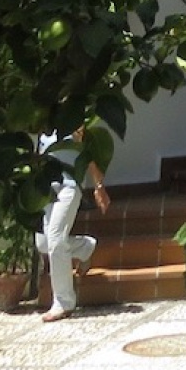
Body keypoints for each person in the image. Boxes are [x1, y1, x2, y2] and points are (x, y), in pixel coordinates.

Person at [35, 126, 110, 321]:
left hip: (69, 187)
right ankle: (86, 247)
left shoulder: (73, 123)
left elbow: (87, 155)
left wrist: (98, 186)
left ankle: (63, 302)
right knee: (43, 243)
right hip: (47, 190)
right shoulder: (42, 128)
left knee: (55, 239)